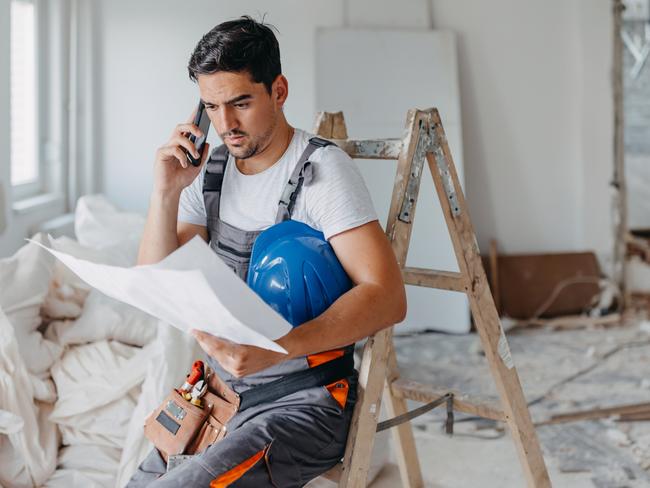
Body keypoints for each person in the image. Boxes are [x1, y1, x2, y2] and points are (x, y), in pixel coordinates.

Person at [128, 15, 406, 487]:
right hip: (218, 396)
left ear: (278, 91)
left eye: (240, 102)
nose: (225, 125)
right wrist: (165, 193)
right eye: (211, 107)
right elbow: (156, 282)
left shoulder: (323, 173)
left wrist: (279, 348)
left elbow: (387, 296)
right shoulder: (210, 171)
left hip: (303, 402)